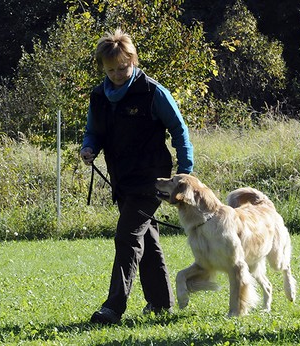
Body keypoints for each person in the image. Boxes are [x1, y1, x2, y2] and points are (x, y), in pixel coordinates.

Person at [80, 28, 194, 325]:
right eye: (111, 69)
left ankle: (113, 307)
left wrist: (186, 170)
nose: (118, 74)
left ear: (133, 60)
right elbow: (94, 130)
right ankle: (161, 303)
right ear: (102, 68)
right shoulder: (98, 95)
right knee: (147, 238)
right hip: (122, 179)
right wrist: (89, 147)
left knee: (127, 237)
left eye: (123, 67)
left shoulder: (153, 92)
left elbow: (179, 130)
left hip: (152, 179)